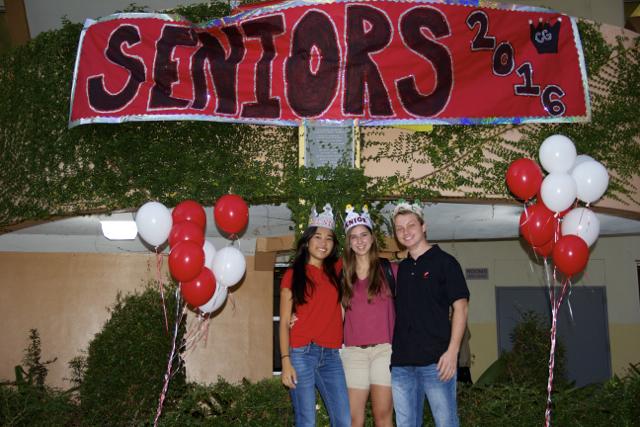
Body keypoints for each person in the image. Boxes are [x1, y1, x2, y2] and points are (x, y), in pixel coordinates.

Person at [390, 201, 470, 427]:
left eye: (411, 225)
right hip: (402, 364)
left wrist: (452, 352)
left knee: (446, 423)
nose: (405, 232)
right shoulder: (402, 270)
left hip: (437, 363)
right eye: (399, 228)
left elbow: (461, 308)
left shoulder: (446, 263)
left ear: (424, 226)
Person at [279, 204, 351, 427]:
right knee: (307, 420)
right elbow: (283, 323)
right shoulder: (293, 274)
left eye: (329, 238)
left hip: (331, 356)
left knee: (343, 420)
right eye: (317, 237)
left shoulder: (336, 270)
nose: (323, 243)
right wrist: (285, 362)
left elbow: (361, 248)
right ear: (307, 241)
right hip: (302, 353)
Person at [340, 204, 396, 427]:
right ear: (349, 242)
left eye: (364, 235)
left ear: (372, 238)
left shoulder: (390, 270)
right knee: (354, 419)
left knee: (382, 417)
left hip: (385, 351)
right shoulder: (342, 275)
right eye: (354, 237)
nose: (359, 241)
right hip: (353, 353)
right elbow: (330, 311)